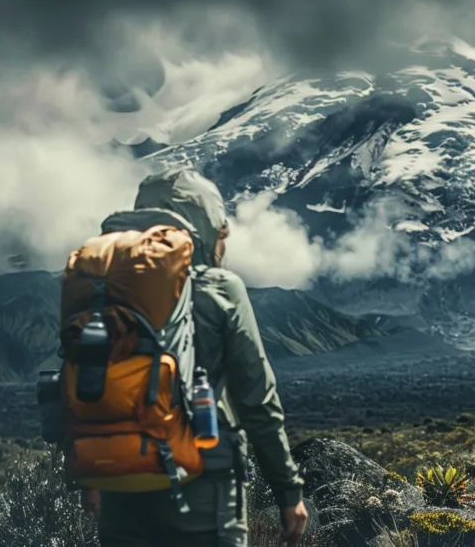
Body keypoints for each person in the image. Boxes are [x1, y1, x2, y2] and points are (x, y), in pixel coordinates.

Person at [80, 167, 309, 546]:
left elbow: (86, 385)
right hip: (205, 483)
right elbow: (257, 400)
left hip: (122, 481)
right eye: (221, 234)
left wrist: (91, 479)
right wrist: (288, 492)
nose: (223, 246)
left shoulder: (104, 288)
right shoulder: (219, 289)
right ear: (204, 227)